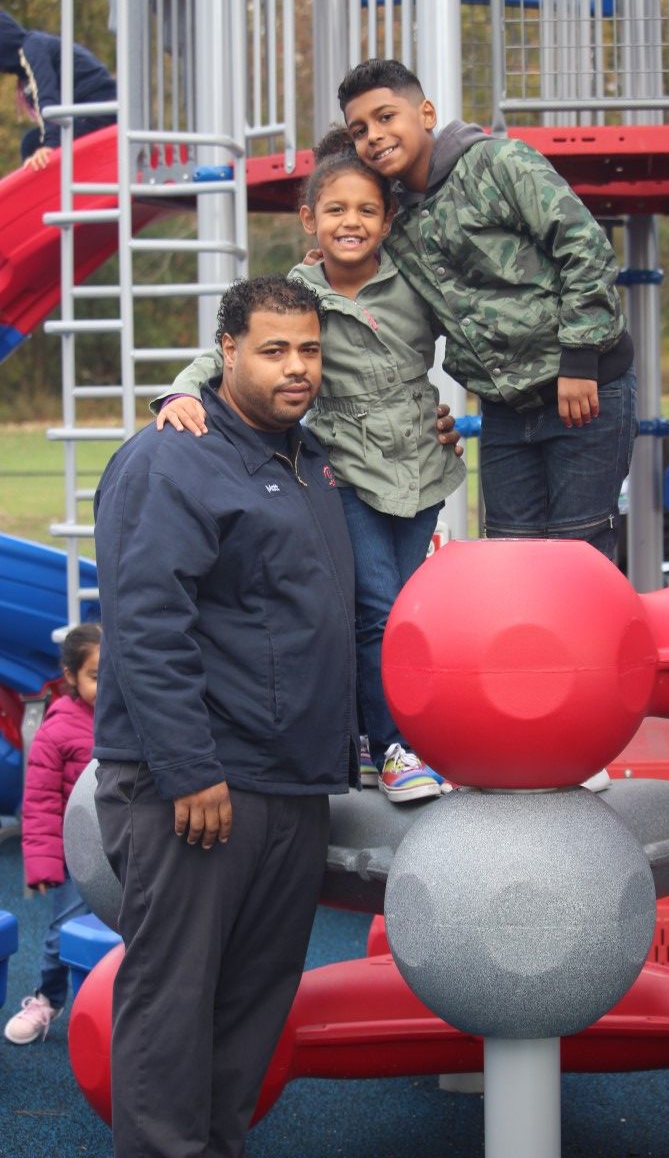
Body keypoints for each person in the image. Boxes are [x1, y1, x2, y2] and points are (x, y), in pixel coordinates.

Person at [92, 275, 358, 1158]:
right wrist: (188, 768)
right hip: (198, 785)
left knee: (248, 1013)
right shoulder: (172, 456)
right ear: (227, 353)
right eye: (275, 350)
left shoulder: (309, 460)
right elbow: (143, 620)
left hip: (290, 783)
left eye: (310, 350)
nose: (297, 368)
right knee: (173, 1012)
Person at [154, 133, 465, 804]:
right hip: (350, 471)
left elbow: (474, 334)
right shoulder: (299, 291)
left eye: (366, 211)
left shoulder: (411, 282)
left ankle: (381, 735)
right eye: (334, 211)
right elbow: (226, 354)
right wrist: (182, 388)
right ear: (309, 220)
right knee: (376, 611)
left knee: (412, 610)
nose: (350, 223)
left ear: (387, 220)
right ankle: (390, 748)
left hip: (419, 466)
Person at [338, 58, 637, 563]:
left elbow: (584, 247)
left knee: (578, 557)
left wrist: (581, 360)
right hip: (505, 410)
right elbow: (396, 313)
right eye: (360, 129)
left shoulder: (498, 164)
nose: (375, 135)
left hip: (583, 387)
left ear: (425, 113)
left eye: (387, 117)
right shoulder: (393, 220)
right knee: (508, 562)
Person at [3, 623, 101, 1045]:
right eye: (97, 677)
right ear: (72, 677)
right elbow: (41, 802)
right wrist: (44, 863)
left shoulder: (137, 720)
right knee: (66, 928)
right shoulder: (58, 728)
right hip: (81, 853)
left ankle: (123, 1006)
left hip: (133, 849)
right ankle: (49, 997)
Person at [0, 10, 116, 171]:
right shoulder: (23, 71)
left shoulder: (32, 48)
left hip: (101, 113)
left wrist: (51, 145)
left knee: (33, 143)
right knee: (31, 141)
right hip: (83, 115)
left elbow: (47, 97)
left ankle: (49, 190)